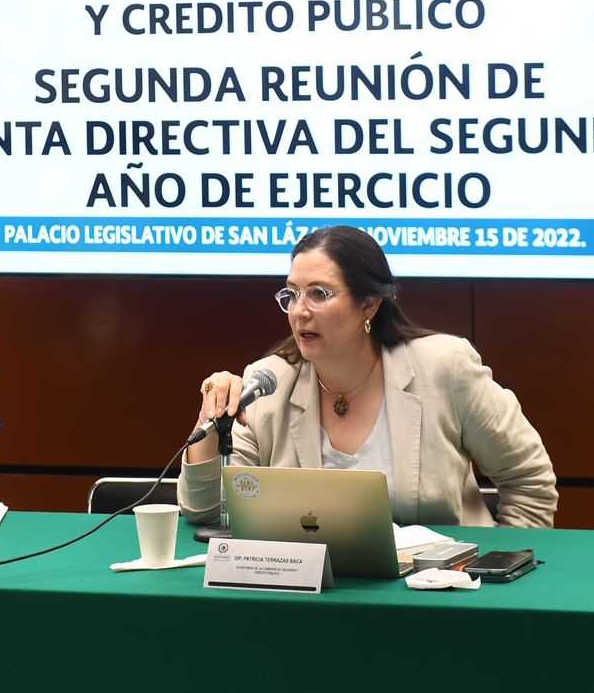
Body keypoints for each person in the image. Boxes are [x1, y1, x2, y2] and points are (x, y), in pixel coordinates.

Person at [181, 225, 557, 528]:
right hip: (313, 591)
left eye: (319, 294)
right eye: (292, 295)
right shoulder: (269, 383)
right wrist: (210, 420)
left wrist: (498, 572)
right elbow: (207, 513)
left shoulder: (445, 367)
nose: (299, 311)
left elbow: (530, 483)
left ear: (369, 304)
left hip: (442, 589)